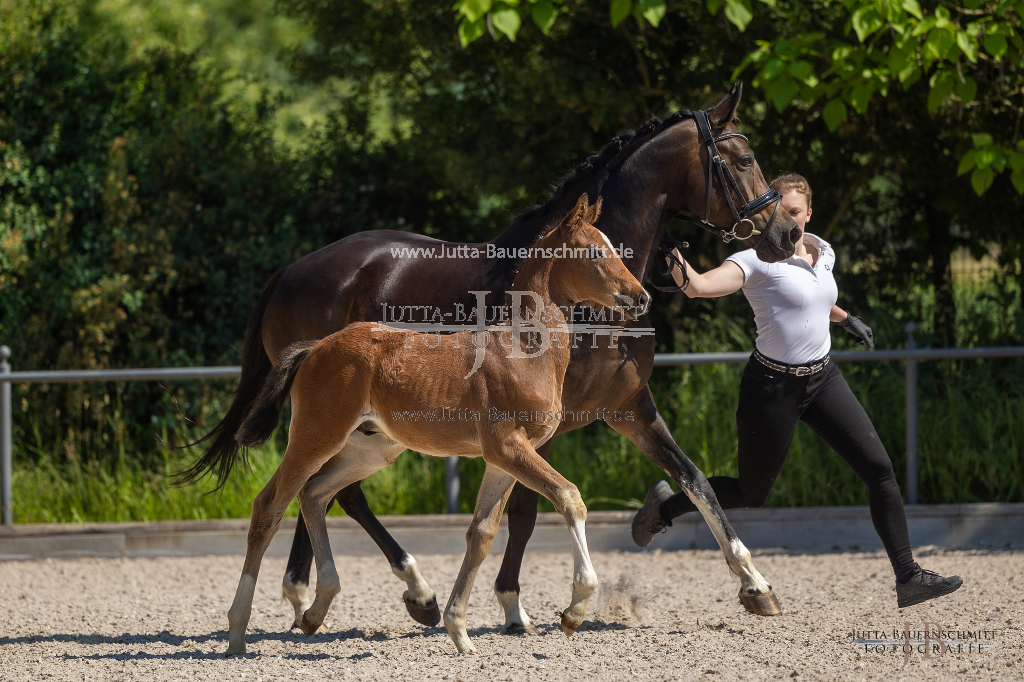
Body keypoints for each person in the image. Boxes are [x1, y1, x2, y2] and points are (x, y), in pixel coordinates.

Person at [632, 173, 962, 607]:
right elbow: (698, 287)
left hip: (823, 379)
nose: (785, 221)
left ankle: (909, 577)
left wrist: (844, 318)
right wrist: (670, 250)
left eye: (793, 213)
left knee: (879, 469)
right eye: (777, 213)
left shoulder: (823, 251)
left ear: (808, 214)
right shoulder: (754, 260)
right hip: (771, 387)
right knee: (752, 493)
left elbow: (813, 298)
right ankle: (665, 508)